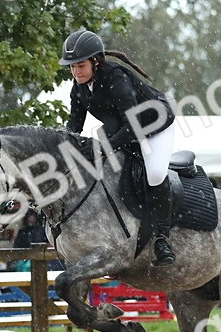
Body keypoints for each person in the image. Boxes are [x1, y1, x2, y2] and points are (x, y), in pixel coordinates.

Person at [59, 29, 178, 266]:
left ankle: (162, 239)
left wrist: (104, 147)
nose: (75, 72)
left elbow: (132, 126)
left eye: (80, 65)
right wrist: (61, 149)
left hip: (155, 124)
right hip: (123, 126)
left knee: (154, 174)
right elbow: (74, 125)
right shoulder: (79, 87)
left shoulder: (116, 78)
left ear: (95, 61)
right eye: (72, 67)